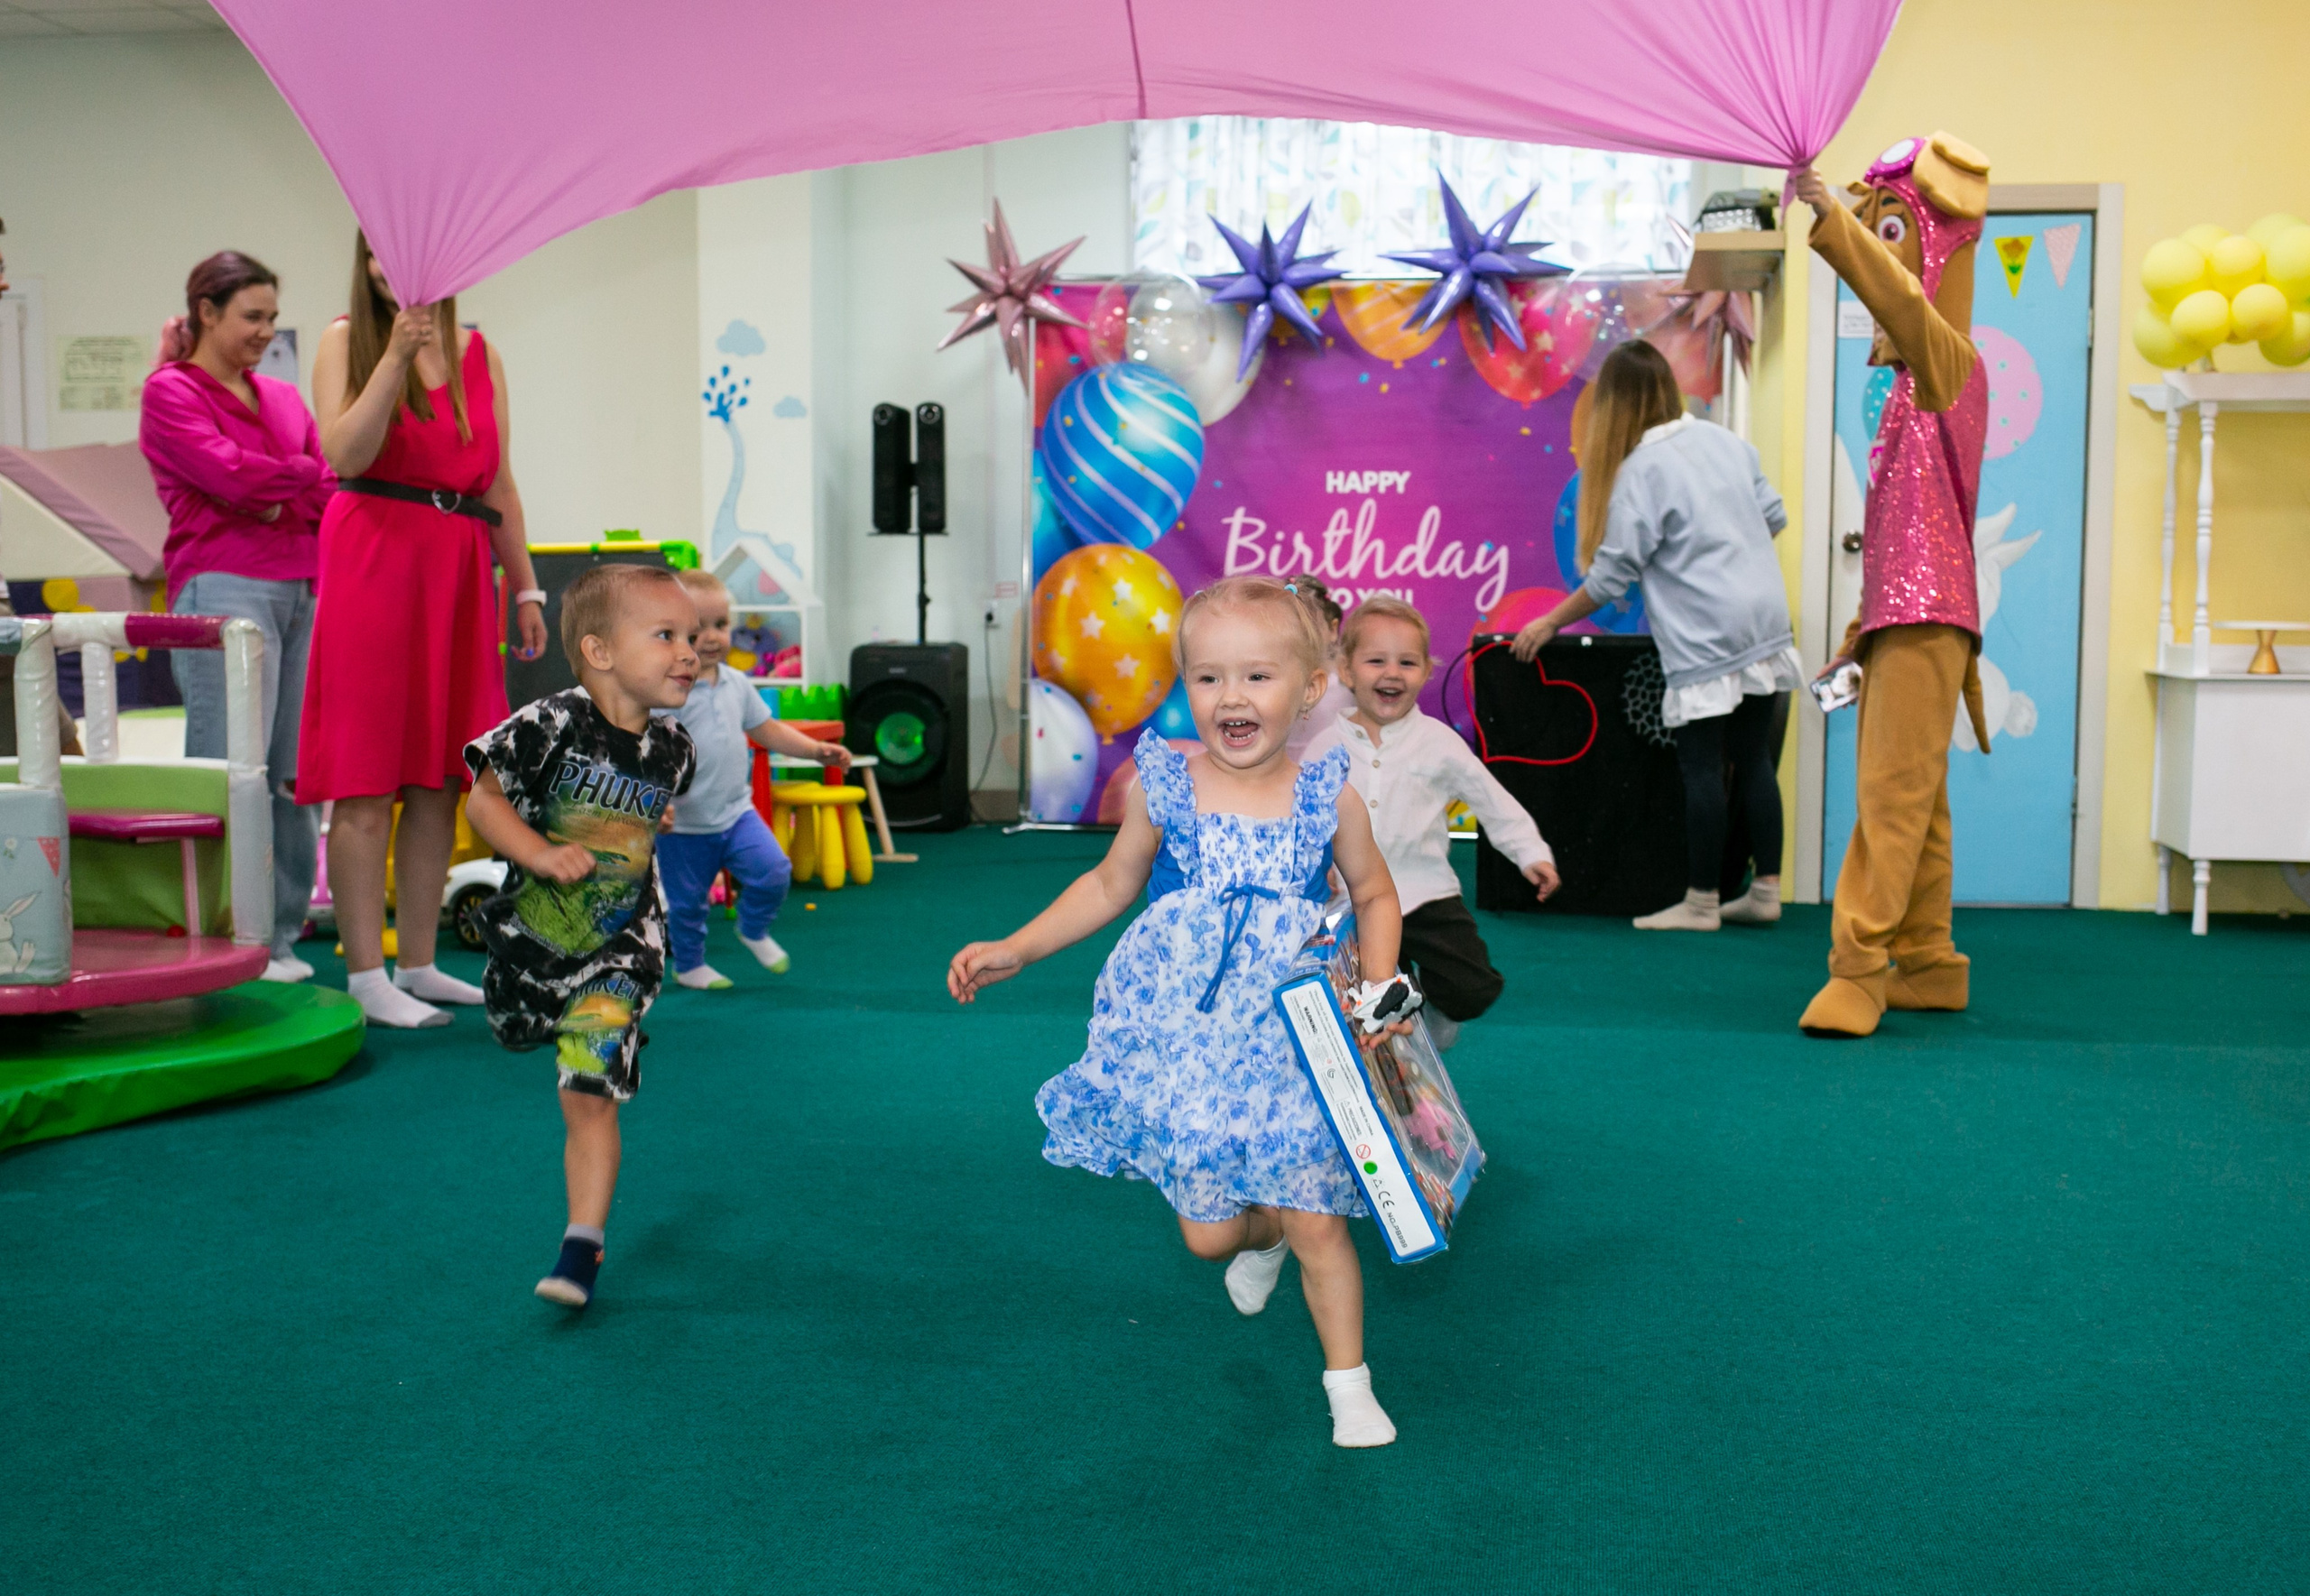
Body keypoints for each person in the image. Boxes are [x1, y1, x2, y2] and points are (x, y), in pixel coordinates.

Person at [947, 576, 1418, 1449]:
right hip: (1190, 1043)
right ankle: (1262, 1233)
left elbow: (1375, 893)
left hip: (1292, 1041)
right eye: (1208, 677)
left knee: (1321, 1220)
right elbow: (1107, 884)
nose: (1231, 696)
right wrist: (1018, 947)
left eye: (1257, 676)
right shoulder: (1165, 785)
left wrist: (1379, 984)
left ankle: (1348, 1384)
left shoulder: (1326, 793)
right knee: (1208, 1237)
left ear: (1310, 689)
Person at [300, 231, 549, 1029]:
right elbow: (345, 453)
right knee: (366, 776)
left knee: (442, 777)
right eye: (379, 252)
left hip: (459, 565)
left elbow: (499, 481)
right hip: (374, 556)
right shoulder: (346, 340)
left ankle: (418, 962)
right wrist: (395, 357)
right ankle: (364, 973)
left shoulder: (481, 352)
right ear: (364, 261)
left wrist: (526, 585)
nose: (393, 266)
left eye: (408, 248)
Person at [1788, 134, 1994, 1038]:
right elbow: (1902, 534)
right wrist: (1860, 631)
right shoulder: (1913, 392)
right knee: (1921, 798)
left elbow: (1904, 303)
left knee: (1889, 799)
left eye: (1893, 234)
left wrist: (1830, 216)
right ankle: (1929, 961)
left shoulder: (1951, 370)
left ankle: (1860, 968)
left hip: (1928, 618)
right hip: (1909, 618)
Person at [462, 564, 698, 1310]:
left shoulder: (674, 747)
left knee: (587, 1088)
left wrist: (647, 817)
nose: (689, 652)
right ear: (599, 650)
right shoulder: (551, 723)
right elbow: (482, 801)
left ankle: (581, 1245)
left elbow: (642, 803)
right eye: (666, 635)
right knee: (521, 1029)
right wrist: (537, 852)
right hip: (539, 936)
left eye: (692, 637)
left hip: (626, 942)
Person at [1511, 339, 1799, 932]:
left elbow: (1609, 577)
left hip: (1706, 630)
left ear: (1613, 406)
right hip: (1766, 619)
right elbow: (1774, 516)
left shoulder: (1641, 470)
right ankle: (1765, 889)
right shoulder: (1725, 440)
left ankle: (1701, 902)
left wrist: (1549, 620)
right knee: (1752, 759)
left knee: (1701, 765)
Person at [139, 252, 335, 983]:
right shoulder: (170, 390)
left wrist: (274, 491)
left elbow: (327, 485)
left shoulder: (280, 397)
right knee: (231, 768)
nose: (265, 331)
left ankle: (277, 936)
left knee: (289, 775)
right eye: (252, 316)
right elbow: (224, 472)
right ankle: (223, 936)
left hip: (301, 585)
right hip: (222, 584)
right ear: (206, 312)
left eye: (272, 318)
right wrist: (284, 482)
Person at [1307, 596, 1557, 1048]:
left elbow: (1491, 800)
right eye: (1376, 661)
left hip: (1427, 894)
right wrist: (1311, 865)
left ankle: (1421, 1015)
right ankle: (1396, 1054)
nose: (1392, 673)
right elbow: (1300, 814)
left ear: (1425, 672)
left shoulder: (1438, 742)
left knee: (1473, 987)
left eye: (1407, 663)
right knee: (1363, 999)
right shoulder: (1325, 744)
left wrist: (1531, 854)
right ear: (1346, 670)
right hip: (1353, 897)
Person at [657, 567, 849, 991]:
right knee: (687, 905)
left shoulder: (737, 684)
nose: (712, 638)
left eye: (721, 625)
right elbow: (645, 751)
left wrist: (816, 751)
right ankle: (689, 965)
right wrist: (656, 800)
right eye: (697, 630)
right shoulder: (666, 692)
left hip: (735, 813)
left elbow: (768, 730)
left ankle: (753, 928)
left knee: (774, 871)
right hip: (684, 826)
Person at [1280, 573, 1352, 762]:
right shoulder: (1265, 686)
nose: (1301, 639)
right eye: (1290, 628)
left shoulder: (1350, 689)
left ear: (1333, 630)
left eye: (1311, 627)